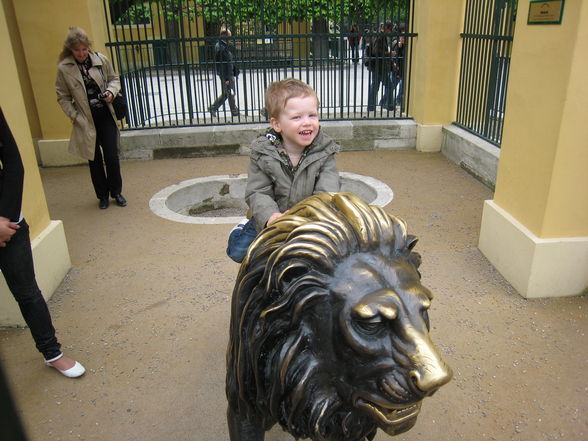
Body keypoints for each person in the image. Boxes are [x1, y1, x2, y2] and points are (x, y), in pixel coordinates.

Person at [0, 108, 85, 378]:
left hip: (8, 224)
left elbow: (13, 163)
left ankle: (52, 354)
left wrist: (4, 218)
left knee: (27, 293)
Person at [226, 79, 340, 263]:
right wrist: (270, 217)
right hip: (273, 216)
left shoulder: (324, 150)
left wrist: (312, 215)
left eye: (312, 115)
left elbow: (328, 189)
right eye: (297, 117)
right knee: (238, 252)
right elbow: (258, 191)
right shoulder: (263, 152)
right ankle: (240, 228)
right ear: (277, 124)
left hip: (310, 218)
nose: (307, 123)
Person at [55, 27, 126, 210]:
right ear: (70, 49)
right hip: (85, 120)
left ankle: (116, 192)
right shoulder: (64, 69)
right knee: (94, 160)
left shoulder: (100, 60)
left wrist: (110, 92)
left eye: (84, 49)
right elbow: (62, 97)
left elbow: (114, 79)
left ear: (88, 47)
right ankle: (102, 196)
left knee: (111, 156)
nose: (81, 53)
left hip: (105, 115)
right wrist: (75, 116)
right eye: (77, 49)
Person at [209, 29, 239, 118]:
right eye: (229, 36)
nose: (230, 38)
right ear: (224, 36)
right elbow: (221, 64)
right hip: (226, 75)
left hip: (228, 74)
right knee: (230, 92)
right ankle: (234, 112)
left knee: (227, 93)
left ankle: (213, 108)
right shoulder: (220, 47)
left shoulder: (223, 45)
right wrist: (226, 78)